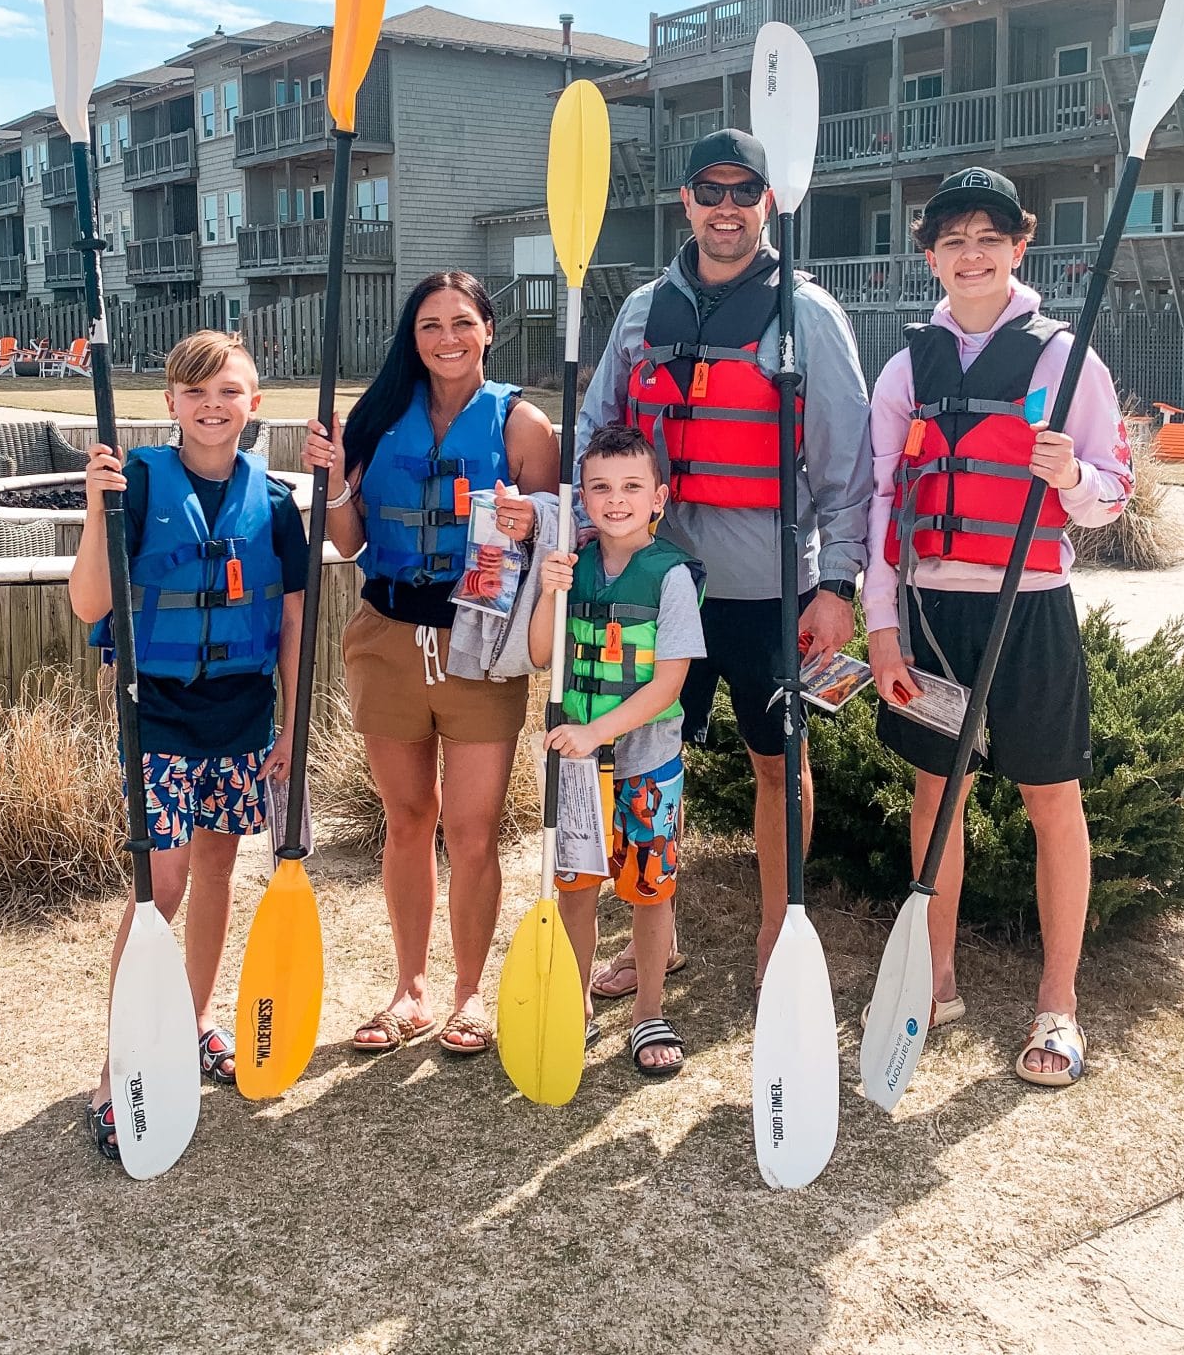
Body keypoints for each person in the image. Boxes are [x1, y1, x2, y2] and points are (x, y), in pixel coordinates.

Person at [578, 129, 871, 995]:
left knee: (778, 765)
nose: (728, 207)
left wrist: (839, 585)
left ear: (769, 204)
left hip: (768, 590)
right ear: (687, 203)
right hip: (649, 583)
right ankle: (651, 938)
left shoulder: (808, 314)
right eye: (711, 191)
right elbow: (598, 436)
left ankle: (781, 938)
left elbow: (848, 465)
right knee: (644, 762)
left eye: (746, 191)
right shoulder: (640, 314)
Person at [864, 168, 1134, 1088]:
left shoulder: (1067, 359)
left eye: (988, 237)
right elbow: (879, 504)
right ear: (930, 253)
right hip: (932, 615)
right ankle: (934, 980)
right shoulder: (905, 367)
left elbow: (1113, 491)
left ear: (1020, 246)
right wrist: (881, 627)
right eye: (951, 239)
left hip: (1031, 608)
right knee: (936, 796)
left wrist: (1071, 480)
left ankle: (1058, 1007)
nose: (969, 254)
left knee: (1052, 799)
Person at [303, 271, 559, 1058]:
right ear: (410, 339)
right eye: (428, 326)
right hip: (386, 637)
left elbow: (556, 540)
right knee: (409, 820)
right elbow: (346, 542)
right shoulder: (375, 418)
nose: (446, 338)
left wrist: (532, 520)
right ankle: (409, 990)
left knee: (473, 830)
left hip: (480, 643)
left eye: (461, 323)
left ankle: (469, 993)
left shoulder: (522, 425)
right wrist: (334, 478)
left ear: (488, 329)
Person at [70, 331, 306, 1161]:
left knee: (216, 868)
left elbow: (290, 620)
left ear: (254, 404)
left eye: (229, 392)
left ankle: (196, 1021)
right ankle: (118, 1068)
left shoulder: (275, 503)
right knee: (158, 884)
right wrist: (99, 515)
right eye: (195, 392)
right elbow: (88, 600)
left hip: (240, 711)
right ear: (170, 402)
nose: (213, 406)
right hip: (158, 708)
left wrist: (290, 726)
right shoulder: (133, 482)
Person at [530, 423, 705, 1077]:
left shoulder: (671, 578)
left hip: (645, 763)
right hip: (576, 766)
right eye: (600, 487)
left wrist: (598, 733)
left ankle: (649, 1011)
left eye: (632, 486)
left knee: (648, 889)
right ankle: (573, 1006)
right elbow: (541, 653)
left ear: (658, 497)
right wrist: (550, 590)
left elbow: (668, 683)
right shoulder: (569, 566)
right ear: (585, 498)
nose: (615, 499)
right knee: (575, 887)